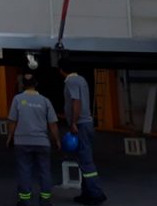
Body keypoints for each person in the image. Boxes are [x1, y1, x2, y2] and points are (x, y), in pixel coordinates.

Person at [6, 74, 60, 206]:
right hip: (42, 142)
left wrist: (9, 137)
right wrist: (57, 140)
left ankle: (25, 201)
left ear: (23, 85)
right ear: (36, 84)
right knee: (44, 171)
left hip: (22, 142)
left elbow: (12, 121)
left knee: (24, 171)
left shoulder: (17, 99)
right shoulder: (45, 101)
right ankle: (45, 200)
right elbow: (52, 123)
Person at [60, 59, 107, 205]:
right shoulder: (81, 79)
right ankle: (86, 193)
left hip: (81, 124)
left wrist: (73, 122)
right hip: (87, 124)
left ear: (61, 70)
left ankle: (96, 193)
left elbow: (76, 101)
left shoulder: (71, 81)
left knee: (86, 161)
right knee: (83, 158)